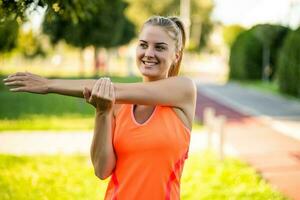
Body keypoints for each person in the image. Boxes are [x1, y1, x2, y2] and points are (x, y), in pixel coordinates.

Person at [3, 16, 197, 199]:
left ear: (177, 56)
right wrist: (102, 112)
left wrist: (49, 85)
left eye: (160, 48)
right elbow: (102, 170)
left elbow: (110, 88)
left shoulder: (183, 90)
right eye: (143, 45)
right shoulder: (116, 103)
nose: (149, 54)